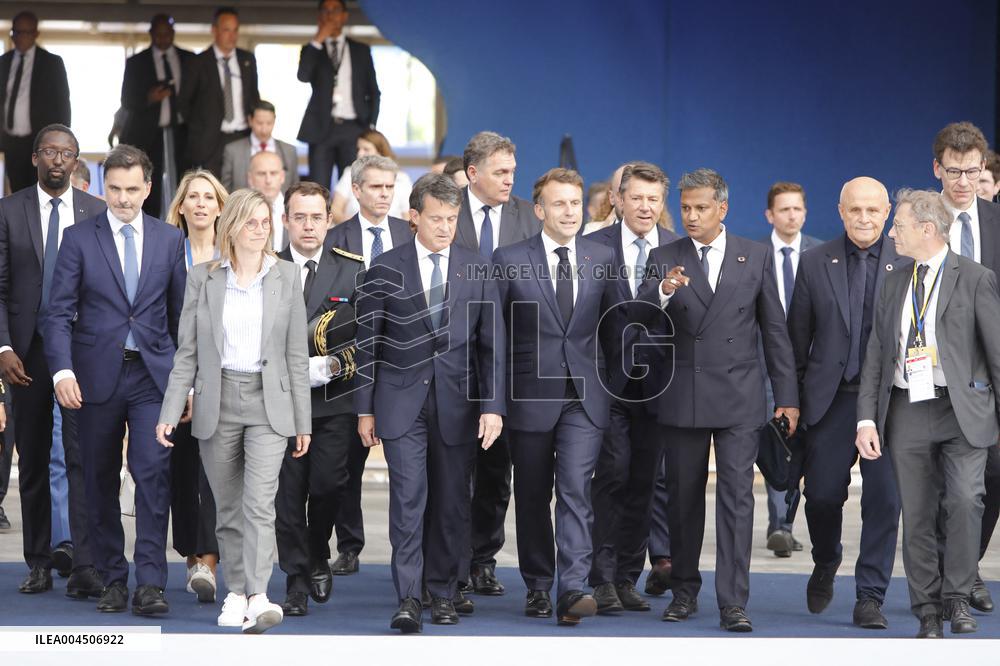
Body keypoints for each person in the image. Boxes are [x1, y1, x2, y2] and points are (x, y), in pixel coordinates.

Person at [637, 168, 798, 632]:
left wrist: (786, 397)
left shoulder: (756, 255)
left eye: (701, 207)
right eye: (685, 207)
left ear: (722, 209)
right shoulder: (665, 256)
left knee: (736, 499)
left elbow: (774, 332)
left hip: (740, 397)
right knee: (683, 500)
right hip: (682, 395)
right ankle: (684, 590)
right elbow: (644, 319)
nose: (691, 215)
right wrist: (664, 290)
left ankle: (733, 601)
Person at [354, 172, 504, 633]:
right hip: (400, 405)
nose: (445, 227)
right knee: (408, 501)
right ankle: (409, 598)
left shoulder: (477, 267)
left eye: (452, 218)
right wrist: (364, 409)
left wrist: (493, 406)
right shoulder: (385, 268)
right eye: (436, 218)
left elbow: (490, 344)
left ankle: (442, 592)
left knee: (453, 503)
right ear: (413, 217)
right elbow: (368, 344)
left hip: (459, 406)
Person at [156, 188, 311, 633]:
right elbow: (186, 353)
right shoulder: (203, 278)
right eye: (251, 222)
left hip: (269, 403)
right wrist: (170, 410)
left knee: (259, 503)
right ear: (232, 227)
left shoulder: (285, 277)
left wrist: (302, 419)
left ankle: (258, 594)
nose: (260, 230)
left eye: (266, 223)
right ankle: (237, 592)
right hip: (216, 399)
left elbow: (296, 356)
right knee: (226, 506)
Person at [44, 144, 186, 615]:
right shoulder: (79, 238)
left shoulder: (169, 240)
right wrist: (62, 370)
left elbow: (180, 317)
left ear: (148, 188)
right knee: (99, 479)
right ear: (105, 187)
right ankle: (112, 578)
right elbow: (58, 312)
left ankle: (150, 583)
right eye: (115, 188)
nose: (123, 198)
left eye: (132, 189)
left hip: (152, 377)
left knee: (151, 475)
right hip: (93, 377)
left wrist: (184, 382)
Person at [856, 189, 1000, 638]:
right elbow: (877, 352)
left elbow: (997, 353)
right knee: (916, 513)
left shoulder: (975, 277)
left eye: (898, 225)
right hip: (907, 409)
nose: (891, 232)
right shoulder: (895, 277)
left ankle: (957, 598)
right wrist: (865, 419)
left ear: (927, 229)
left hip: (963, 409)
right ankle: (927, 611)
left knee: (963, 501)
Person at [493, 168, 617, 626]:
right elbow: (496, 333)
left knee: (575, 490)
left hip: (585, 398)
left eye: (575, 203)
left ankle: (573, 589)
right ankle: (538, 585)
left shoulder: (601, 257)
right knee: (530, 494)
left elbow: (617, 324)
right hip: (527, 395)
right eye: (558, 204)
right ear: (540, 210)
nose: (569, 212)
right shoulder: (508, 258)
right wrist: (493, 401)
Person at [788, 177, 906, 629]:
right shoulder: (815, 262)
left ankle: (870, 595)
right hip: (831, 399)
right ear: (840, 211)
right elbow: (798, 340)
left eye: (873, 210)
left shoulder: (908, 261)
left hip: (890, 401)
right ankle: (826, 558)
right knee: (820, 496)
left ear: (887, 213)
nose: (864, 218)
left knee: (884, 498)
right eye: (855, 210)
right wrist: (790, 402)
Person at [0, 124, 105, 599]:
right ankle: (39, 562)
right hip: (26, 358)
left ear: (77, 161)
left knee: (85, 460)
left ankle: (85, 563)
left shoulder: (96, 211)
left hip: (83, 352)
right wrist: (3, 348)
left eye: (67, 153)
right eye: (49, 151)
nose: (58, 160)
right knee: (36, 461)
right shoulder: (9, 210)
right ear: (36, 158)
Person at [584, 162, 677, 614]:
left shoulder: (680, 252)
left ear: (662, 204)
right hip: (606, 384)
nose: (644, 206)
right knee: (612, 475)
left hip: (660, 385)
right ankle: (599, 578)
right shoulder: (591, 247)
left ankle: (626, 576)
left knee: (644, 480)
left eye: (653, 199)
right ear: (617, 199)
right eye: (636, 197)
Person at [454, 130, 540, 598]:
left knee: (495, 469)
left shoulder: (528, 216)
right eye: (501, 172)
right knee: (452, 469)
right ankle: (453, 563)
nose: (511, 179)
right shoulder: (444, 210)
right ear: (473, 173)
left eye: (512, 170)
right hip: (451, 360)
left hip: (510, 364)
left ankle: (483, 559)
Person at [275, 181, 365, 616]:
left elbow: (369, 338)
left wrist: (330, 367)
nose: (308, 226)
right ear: (285, 219)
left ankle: (316, 552)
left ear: (330, 221)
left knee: (328, 483)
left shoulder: (354, 270)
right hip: (281, 403)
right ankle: (296, 578)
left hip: (334, 401)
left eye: (316, 217)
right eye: (300, 216)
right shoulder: (266, 267)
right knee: (288, 495)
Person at [324, 154, 413, 575]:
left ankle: (410, 550)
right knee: (345, 463)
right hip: (349, 365)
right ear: (356, 190)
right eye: (375, 187)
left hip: (400, 364)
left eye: (389, 187)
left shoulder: (408, 233)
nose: (383, 194)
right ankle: (349, 544)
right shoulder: (333, 237)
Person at [931, 121, 1000, 612]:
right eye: (953, 171)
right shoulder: (919, 220)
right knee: (941, 484)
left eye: (971, 171)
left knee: (988, 478)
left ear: (984, 170)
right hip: (928, 372)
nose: (962, 182)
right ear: (937, 168)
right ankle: (947, 576)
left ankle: (966, 567)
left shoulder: (997, 223)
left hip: (987, 375)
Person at [163, 169, 227, 603]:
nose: (201, 204)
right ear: (181, 206)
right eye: (193, 196)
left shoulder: (235, 253)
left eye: (209, 197)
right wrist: (180, 384)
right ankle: (192, 559)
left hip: (226, 382)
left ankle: (210, 560)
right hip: (174, 380)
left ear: (221, 207)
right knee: (183, 473)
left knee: (219, 474)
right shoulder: (167, 252)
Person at [759, 182, 821, 557]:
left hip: (812, 365)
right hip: (766, 364)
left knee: (804, 444)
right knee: (777, 440)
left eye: (797, 209)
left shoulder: (819, 254)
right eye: (784, 210)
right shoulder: (754, 255)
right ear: (770, 215)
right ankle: (779, 524)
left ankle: (786, 520)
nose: (791, 216)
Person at [297, 0, 380, 189]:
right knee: (317, 186)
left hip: (354, 127)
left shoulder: (361, 50)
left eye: (335, 10)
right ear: (319, 16)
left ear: (344, 16)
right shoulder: (312, 49)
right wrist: (318, 38)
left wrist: (370, 127)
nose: (330, 15)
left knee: (354, 184)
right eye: (325, 11)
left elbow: (374, 92)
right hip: (321, 128)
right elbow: (303, 76)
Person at [120, 13, 194, 218]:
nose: (163, 38)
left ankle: (182, 228)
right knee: (148, 185)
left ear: (173, 33)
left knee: (185, 182)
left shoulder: (189, 59)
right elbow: (126, 100)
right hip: (147, 135)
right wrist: (150, 98)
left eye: (167, 34)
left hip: (182, 133)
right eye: (158, 34)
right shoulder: (136, 62)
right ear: (151, 34)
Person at [178, 6, 260, 177]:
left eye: (235, 30)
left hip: (242, 135)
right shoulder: (198, 62)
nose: (232, 35)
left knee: (241, 191)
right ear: (214, 30)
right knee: (213, 192)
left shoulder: (247, 60)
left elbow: (253, 96)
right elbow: (183, 103)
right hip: (210, 141)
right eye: (226, 30)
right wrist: (200, 128)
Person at [0, 11, 70, 193]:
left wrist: (60, 142)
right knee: (17, 191)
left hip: (40, 143)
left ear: (36, 34)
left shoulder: (52, 63)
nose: (20, 37)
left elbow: (63, 104)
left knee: (39, 192)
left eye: (26, 32)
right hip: (11, 143)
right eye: (16, 32)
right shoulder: (3, 62)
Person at [331, 130, 412, 223]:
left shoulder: (402, 178)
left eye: (366, 149)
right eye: (358, 149)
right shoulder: (350, 173)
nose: (360, 154)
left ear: (380, 152)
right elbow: (335, 209)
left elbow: (407, 217)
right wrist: (354, 227)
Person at [221, 100, 300, 192]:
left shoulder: (289, 151)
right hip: (244, 205)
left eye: (269, 123)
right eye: (260, 123)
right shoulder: (232, 151)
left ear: (274, 121)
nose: (264, 129)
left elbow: (295, 188)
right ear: (250, 120)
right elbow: (224, 191)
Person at [247, 150, 289, 252]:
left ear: (282, 176)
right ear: (250, 178)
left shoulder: (295, 210)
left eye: (273, 173)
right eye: (261, 174)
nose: (268, 180)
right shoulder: (238, 212)